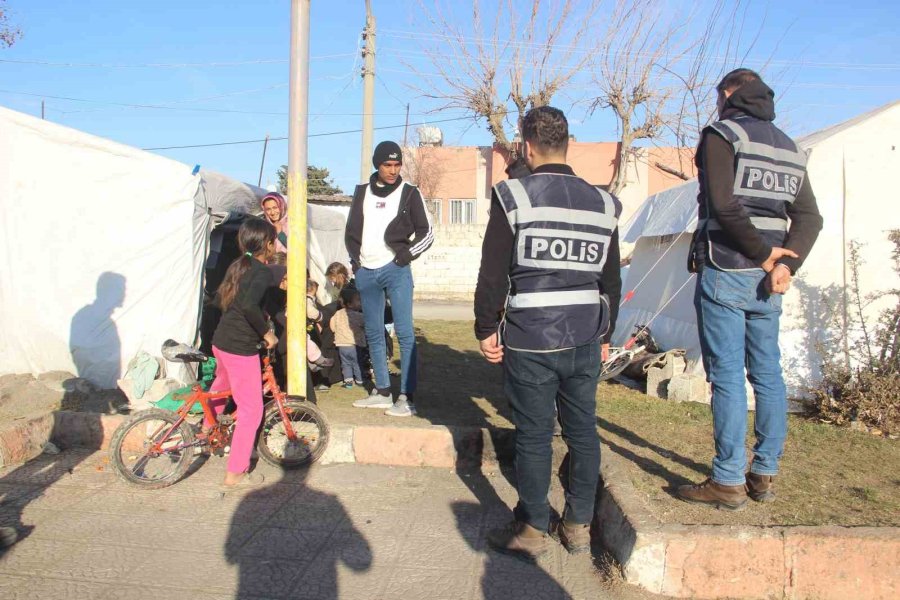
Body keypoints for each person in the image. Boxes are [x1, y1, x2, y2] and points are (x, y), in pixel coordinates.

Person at [474, 106, 622, 560]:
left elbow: (493, 272)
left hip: (529, 337)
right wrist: (605, 332)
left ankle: (534, 526)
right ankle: (578, 524)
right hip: (585, 336)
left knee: (535, 435)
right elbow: (611, 280)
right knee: (583, 432)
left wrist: (485, 327)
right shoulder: (604, 203)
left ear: (526, 145)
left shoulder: (513, 196)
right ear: (568, 143)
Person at [678, 69, 823, 510]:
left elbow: (722, 203)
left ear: (728, 93)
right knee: (767, 374)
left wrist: (764, 255)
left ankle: (726, 480)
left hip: (729, 266)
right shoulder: (791, 148)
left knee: (726, 376)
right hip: (768, 280)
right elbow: (810, 218)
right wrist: (786, 264)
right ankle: (764, 473)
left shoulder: (723, 134)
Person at [345, 141, 434, 417]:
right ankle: (383, 391)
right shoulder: (361, 192)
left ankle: (406, 397)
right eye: (387, 165)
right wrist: (356, 265)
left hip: (396, 270)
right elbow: (351, 233)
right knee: (373, 332)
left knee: (405, 334)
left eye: (397, 165)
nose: (393, 170)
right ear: (377, 164)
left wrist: (403, 258)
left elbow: (427, 233)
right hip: (366, 272)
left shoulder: (410, 193)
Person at [208, 217, 279, 488]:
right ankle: (236, 472)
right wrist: (267, 333)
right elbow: (249, 306)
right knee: (251, 410)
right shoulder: (260, 271)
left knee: (219, 388)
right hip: (240, 347)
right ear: (269, 245)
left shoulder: (239, 265)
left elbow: (225, 300)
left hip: (221, 341)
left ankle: (208, 430)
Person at [330, 289, 368, 388]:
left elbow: (332, 326)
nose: (360, 302)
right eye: (358, 300)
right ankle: (359, 380)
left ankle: (348, 382)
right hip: (354, 344)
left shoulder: (337, 314)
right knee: (356, 363)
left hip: (341, 344)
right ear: (350, 303)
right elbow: (366, 325)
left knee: (345, 363)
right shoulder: (358, 315)